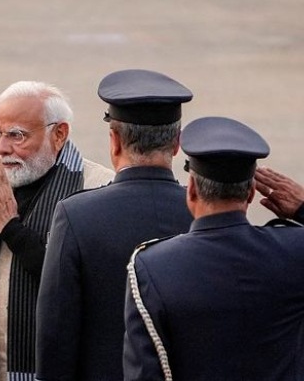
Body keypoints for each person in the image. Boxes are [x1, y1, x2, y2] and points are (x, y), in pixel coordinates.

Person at [35, 69, 195, 381]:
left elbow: (56, 333)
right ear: (177, 144)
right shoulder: (201, 217)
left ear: (115, 141)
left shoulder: (76, 215)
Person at [0, 81, 113, 381]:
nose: (1, 148)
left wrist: (12, 230)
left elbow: (87, 286)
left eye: (17, 135)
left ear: (59, 134)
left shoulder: (97, 188)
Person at [123, 117, 304, 380]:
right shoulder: (294, 250)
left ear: (192, 189)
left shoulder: (153, 266)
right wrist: (301, 209)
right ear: (251, 193)